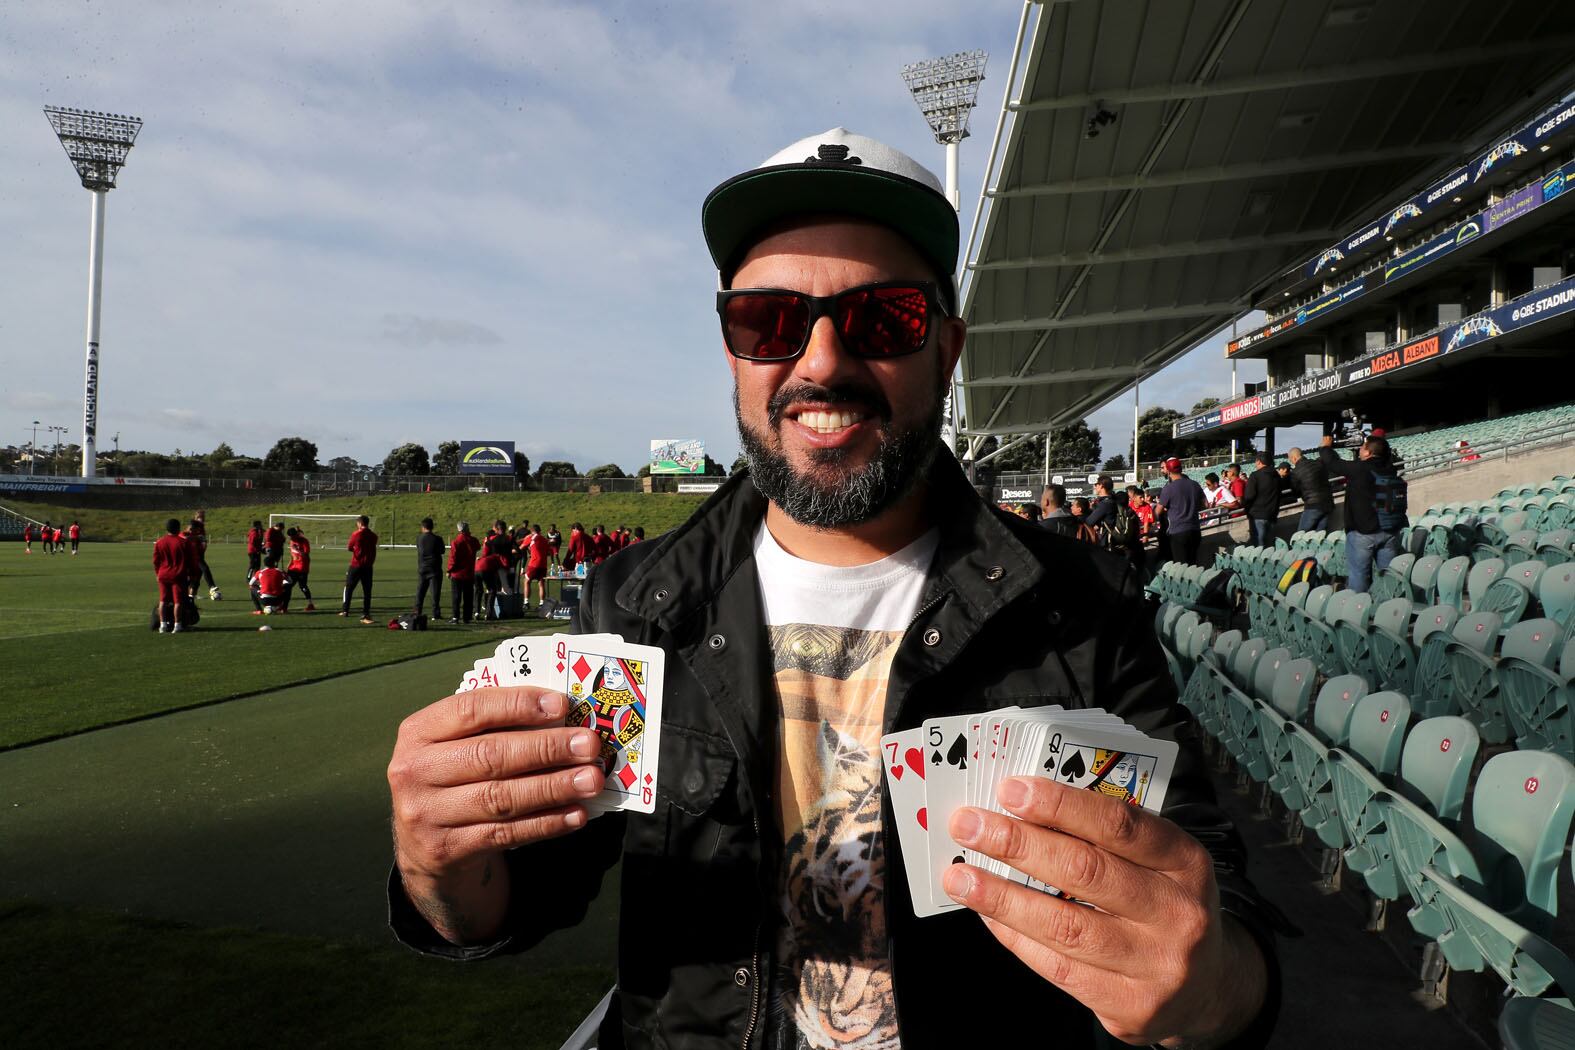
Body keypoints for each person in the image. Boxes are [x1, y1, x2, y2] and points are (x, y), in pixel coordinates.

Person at [386, 127, 1275, 1049]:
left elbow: (1223, 912)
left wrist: (1206, 987)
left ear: (946, 348)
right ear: (731, 348)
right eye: (768, 320)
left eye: (882, 318)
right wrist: (439, 870)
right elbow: (519, 891)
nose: (818, 363)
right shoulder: (632, 602)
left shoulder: (1079, 601)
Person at [1319, 433, 1408, 593]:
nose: (1360, 450)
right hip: (1390, 530)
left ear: (1368, 452)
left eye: (1362, 447)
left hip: (1363, 532)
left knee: (1359, 575)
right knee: (1388, 576)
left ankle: (1358, 612)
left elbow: (1333, 463)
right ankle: (1389, 609)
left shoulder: (1361, 468)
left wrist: (1326, 447)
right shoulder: (1390, 468)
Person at [1157, 457, 1205, 566]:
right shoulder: (1195, 484)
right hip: (1195, 530)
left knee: (1182, 567)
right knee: (1193, 564)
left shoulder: (1168, 488)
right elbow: (1205, 505)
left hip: (1178, 532)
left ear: (1168, 471)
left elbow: (1158, 511)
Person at [153, 518, 196, 634]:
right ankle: (177, 625)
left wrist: (158, 573)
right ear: (178, 528)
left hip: (163, 574)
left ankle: (163, 625)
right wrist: (193, 575)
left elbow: (156, 561)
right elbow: (192, 561)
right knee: (178, 601)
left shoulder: (159, 542)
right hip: (178, 575)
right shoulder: (184, 542)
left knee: (163, 600)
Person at [340, 515, 378, 623]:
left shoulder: (356, 534)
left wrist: (357, 550)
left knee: (349, 587)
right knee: (367, 591)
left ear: (360, 524)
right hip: (368, 566)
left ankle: (345, 610)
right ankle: (366, 613)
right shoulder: (374, 536)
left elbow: (349, 547)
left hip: (356, 565)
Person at [1240, 453, 1283, 548]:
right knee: (1270, 547)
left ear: (1259, 462)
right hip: (1272, 515)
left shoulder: (1255, 476)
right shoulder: (1276, 476)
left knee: (1259, 548)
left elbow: (1249, 496)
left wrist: (1245, 508)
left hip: (1257, 516)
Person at [1286, 447, 1333, 532]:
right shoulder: (1318, 464)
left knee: (1301, 536)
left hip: (1313, 505)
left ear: (1294, 458)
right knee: (1320, 536)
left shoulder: (1295, 472)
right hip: (1328, 502)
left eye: (1290, 460)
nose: (1291, 462)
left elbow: (1296, 492)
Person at [446, 522, 480, 625]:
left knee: (456, 596)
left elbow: (453, 558)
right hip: (469, 572)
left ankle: (456, 617)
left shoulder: (456, 542)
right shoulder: (473, 540)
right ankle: (467, 617)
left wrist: (449, 570)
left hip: (457, 573)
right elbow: (478, 546)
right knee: (468, 596)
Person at [414, 518, 445, 621]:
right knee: (435, 593)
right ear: (432, 527)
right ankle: (435, 613)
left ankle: (417, 611)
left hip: (422, 567)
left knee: (420, 591)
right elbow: (442, 551)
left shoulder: (419, 538)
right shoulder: (437, 539)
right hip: (434, 568)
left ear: (423, 527)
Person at [190, 510, 220, 600]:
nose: (202, 519)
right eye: (200, 517)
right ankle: (212, 586)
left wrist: (203, 544)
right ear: (196, 518)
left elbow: (203, 541)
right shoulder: (193, 526)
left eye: (203, 518)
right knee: (205, 568)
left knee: (198, 576)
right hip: (194, 554)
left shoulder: (202, 527)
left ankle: (192, 595)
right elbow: (187, 536)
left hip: (200, 553)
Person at [285, 527, 316, 611]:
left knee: (302, 586)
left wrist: (298, 549)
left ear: (296, 534)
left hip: (302, 567)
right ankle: (284, 606)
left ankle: (310, 604)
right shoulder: (292, 541)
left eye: (292, 536)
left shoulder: (304, 541)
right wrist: (290, 563)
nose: (291, 538)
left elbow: (306, 555)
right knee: (287, 586)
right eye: (290, 537)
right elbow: (292, 554)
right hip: (293, 567)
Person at [522, 523, 551, 613]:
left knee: (527, 581)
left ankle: (526, 602)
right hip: (543, 564)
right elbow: (549, 553)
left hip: (534, 564)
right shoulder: (545, 540)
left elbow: (522, 547)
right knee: (541, 583)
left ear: (532, 531)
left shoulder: (531, 538)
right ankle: (542, 603)